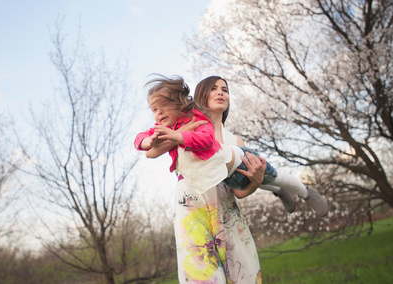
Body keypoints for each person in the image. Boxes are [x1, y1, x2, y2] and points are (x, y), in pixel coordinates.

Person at [135, 75, 328, 216]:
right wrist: (152, 140)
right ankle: (278, 189)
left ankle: (293, 190)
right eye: (213, 88)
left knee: (267, 173)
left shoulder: (230, 139)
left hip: (226, 209)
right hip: (195, 208)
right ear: (200, 95)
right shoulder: (180, 124)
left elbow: (240, 191)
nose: (220, 92)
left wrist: (257, 181)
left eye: (225, 90)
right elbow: (150, 151)